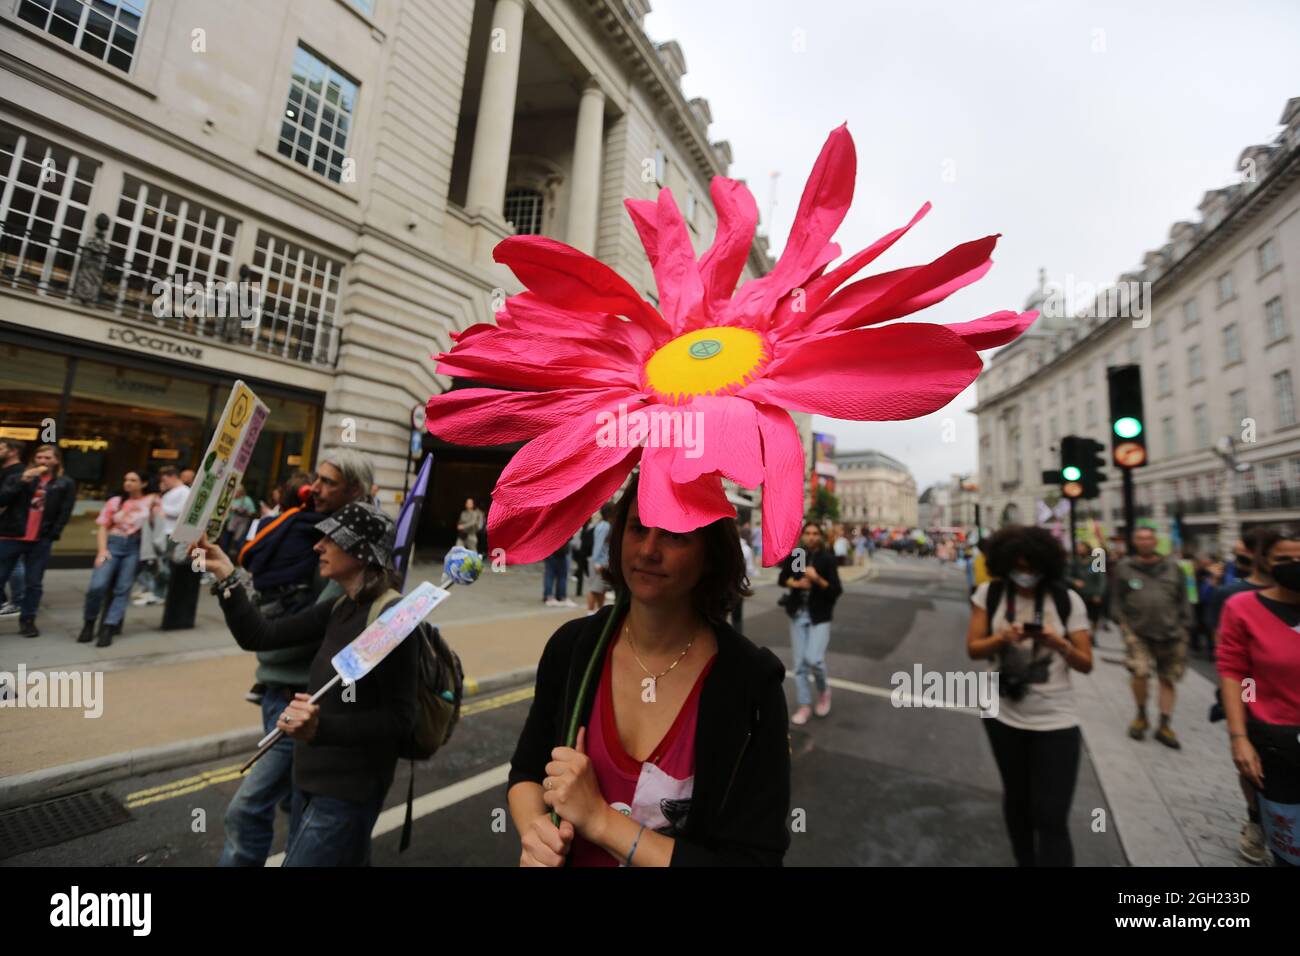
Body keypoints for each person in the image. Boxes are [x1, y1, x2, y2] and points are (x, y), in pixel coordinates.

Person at [507, 475, 790, 866]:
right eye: (638, 528)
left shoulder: (752, 684)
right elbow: (526, 771)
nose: (649, 550)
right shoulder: (572, 647)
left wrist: (601, 821)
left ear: (710, 553)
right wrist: (534, 833)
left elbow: (755, 858)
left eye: (674, 534)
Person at [199, 501, 417, 866]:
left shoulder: (391, 620)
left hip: (347, 792)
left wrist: (320, 726)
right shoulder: (339, 608)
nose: (318, 546)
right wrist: (227, 576)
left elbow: (400, 721)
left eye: (331, 538)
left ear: (361, 551)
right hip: (309, 781)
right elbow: (261, 635)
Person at [216, 452, 372, 868]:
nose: (313, 490)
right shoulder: (314, 544)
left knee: (250, 808)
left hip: (305, 706)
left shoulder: (357, 592)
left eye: (328, 483)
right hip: (280, 696)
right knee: (299, 809)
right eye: (314, 480)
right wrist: (227, 578)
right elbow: (264, 633)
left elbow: (274, 638)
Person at [967, 525, 1093, 867]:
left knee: (1052, 816)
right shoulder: (989, 594)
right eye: (1017, 568)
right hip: (1002, 717)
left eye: (1031, 568)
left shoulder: (1068, 601)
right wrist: (1002, 638)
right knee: (1017, 803)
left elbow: (1086, 664)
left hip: (1056, 721)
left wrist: (1059, 643)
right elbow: (974, 649)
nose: (1024, 575)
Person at [1216, 528, 1300, 867]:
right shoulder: (1242, 606)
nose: (1296, 565)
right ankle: (1258, 822)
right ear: (1265, 561)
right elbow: (1233, 671)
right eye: (1285, 559)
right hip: (1278, 742)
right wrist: (1240, 736)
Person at [1112, 526, 1193, 748]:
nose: (1145, 542)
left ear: (1155, 541)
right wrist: (1122, 622)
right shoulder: (1124, 568)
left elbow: (1184, 598)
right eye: (1140, 538)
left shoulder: (1174, 568)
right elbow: (1116, 599)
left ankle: (1164, 723)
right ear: (1134, 542)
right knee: (1140, 671)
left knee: (1168, 677)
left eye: (1149, 538)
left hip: (1172, 632)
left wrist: (1185, 626)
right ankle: (1141, 715)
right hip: (1137, 632)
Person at [0, 444, 76, 637]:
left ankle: (28, 620)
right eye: (40, 457)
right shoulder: (19, 477)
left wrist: (52, 534)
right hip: (11, 535)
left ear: (57, 460)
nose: (43, 461)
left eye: (48, 458)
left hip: (40, 539)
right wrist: (21, 482)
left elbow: (64, 511)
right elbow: (2, 500)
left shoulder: (64, 483)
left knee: (33, 583)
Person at [80, 470, 157, 647]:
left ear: (143, 483)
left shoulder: (152, 500)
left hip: (135, 546)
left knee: (122, 589)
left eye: (133, 480)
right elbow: (102, 527)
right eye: (126, 479)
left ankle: (109, 627)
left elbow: (159, 523)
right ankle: (89, 622)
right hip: (113, 544)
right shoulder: (115, 501)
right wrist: (102, 550)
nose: (128, 483)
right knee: (97, 586)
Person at [777, 521, 843, 726]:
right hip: (798, 613)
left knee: (814, 659)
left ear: (820, 536)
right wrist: (796, 583)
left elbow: (835, 590)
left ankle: (824, 692)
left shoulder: (827, 559)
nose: (812, 537)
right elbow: (783, 578)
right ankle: (804, 704)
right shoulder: (798, 555)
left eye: (815, 533)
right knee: (800, 664)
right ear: (803, 535)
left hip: (819, 616)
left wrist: (818, 580)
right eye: (808, 533)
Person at [0, 438, 28, 616]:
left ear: (13, 451)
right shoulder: (5, 470)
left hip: (10, 524)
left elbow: (6, 499)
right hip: (6, 522)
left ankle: (18, 600)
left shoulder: (19, 472)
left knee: (13, 563)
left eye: (1, 448)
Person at [1067, 539, 1106, 644]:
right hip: (1079, 594)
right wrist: (1074, 581)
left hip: (1092, 594)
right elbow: (1067, 576)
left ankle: (1092, 635)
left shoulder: (1096, 561)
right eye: (1079, 547)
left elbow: (1102, 579)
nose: (1080, 549)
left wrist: (1099, 594)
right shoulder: (1074, 562)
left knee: (1094, 617)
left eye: (1082, 547)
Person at [586, 504, 613, 615]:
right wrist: (596, 562)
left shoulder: (603, 525)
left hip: (602, 561)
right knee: (594, 589)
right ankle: (591, 612)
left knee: (601, 589)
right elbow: (599, 544)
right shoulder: (605, 526)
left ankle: (598, 611)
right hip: (600, 561)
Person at [731, 524, 755, 633]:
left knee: (719, 617)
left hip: (722, 587)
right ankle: (737, 641)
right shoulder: (746, 549)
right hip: (739, 586)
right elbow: (750, 570)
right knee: (737, 617)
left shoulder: (724, 546)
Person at [542, 541, 575, 607]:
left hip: (552, 551)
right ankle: (559, 596)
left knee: (551, 576)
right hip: (559, 552)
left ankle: (551, 596)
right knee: (558, 576)